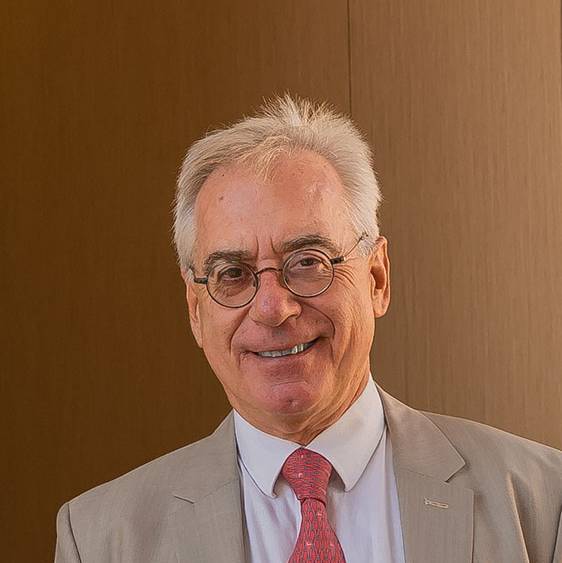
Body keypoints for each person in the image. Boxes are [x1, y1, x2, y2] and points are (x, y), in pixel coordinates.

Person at [55, 95, 562, 563]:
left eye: (307, 262)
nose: (273, 308)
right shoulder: (102, 539)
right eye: (233, 274)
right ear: (195, 309)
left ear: (377, 278)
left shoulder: (542, 501)